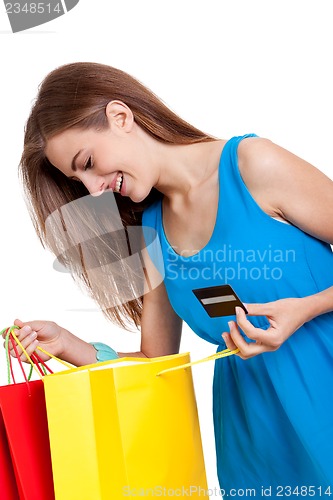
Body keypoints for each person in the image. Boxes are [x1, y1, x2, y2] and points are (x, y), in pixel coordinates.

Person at [5, 62, 333, 496]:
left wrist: (304, 309)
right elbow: (154, 362)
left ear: (120, 117)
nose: (93, 189)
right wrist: (70, 345)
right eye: (78, 180)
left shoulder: (253, 165)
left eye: (87, 163)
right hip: (254, 443)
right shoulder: (153, 234)